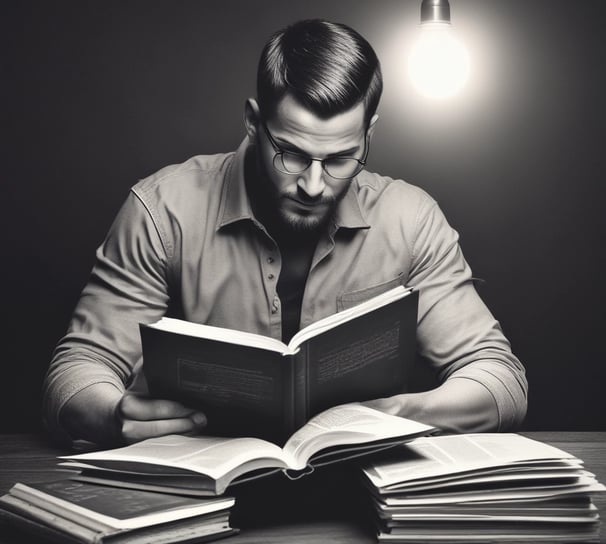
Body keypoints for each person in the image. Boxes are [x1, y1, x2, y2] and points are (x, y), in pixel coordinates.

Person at [43, 19, 527, 448]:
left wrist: (398, 414)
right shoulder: (162, 210)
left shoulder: (411, 219)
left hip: (355, 493)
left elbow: (500, 378)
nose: (314, 186)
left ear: (369, 135)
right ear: (254, 122)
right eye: (292, 154)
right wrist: (113, 415)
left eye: (340, 159)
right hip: (203, 497)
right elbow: (77, 370)